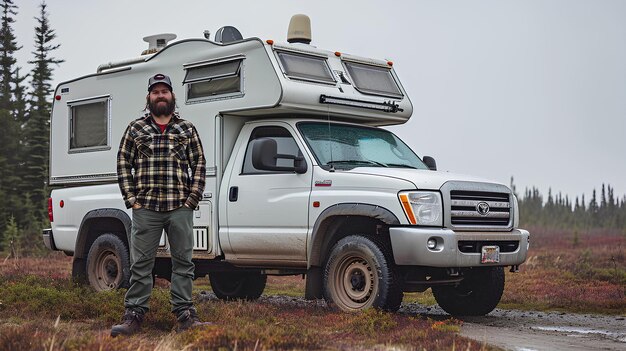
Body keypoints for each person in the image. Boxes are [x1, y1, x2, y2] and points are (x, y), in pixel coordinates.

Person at [112, 73, 208, 336]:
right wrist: (132, 200)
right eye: (156, 92)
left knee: (184, 263)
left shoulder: (186, 128)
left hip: (180, 207)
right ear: (149, 98)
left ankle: (185, 315)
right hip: (147, 209)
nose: (161, 95)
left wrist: (192, 199)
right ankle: (133, 315)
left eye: (165, 91)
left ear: (172, 96)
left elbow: (199, 163)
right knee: (141, 264)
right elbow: (123, 164)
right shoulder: (136, 128)